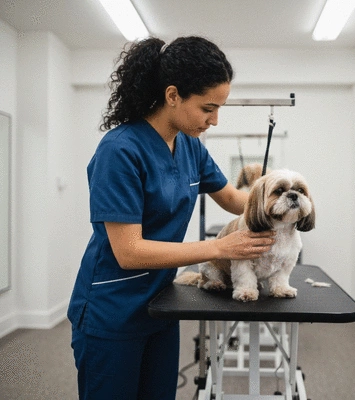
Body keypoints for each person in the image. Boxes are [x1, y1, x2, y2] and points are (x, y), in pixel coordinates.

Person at [67, 36, 276, 400]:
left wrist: (276, 200)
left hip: (161, 305)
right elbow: (128, 252)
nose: (214, 120)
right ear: (173, 95)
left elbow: (231, 198)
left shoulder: (190, 145)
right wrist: (219, 246)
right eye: (207, 108)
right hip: (111, 310)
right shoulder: (120, 151)